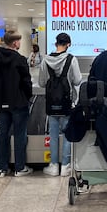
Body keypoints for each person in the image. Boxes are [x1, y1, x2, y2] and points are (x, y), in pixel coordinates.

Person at [0, 30, 33, 177]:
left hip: (2, 102)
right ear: (15, 43)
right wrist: (27, 97)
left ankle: (2, 168)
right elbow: (27, 82)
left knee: (3, 134)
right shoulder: (20, 60)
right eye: (19, 41)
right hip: (18, 102)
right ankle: (19, 168)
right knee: (20, 134)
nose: (20, 43)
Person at [38, 33, 82, 177]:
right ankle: (66, 165)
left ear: (56, 43)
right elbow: (77, 80)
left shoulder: (45, 60)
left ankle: (53, 165)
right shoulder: (71, 59)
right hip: (67, 102)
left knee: (53, 134)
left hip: (51, 103)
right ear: (68, 44)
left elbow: (41, 82)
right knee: (68, 133)